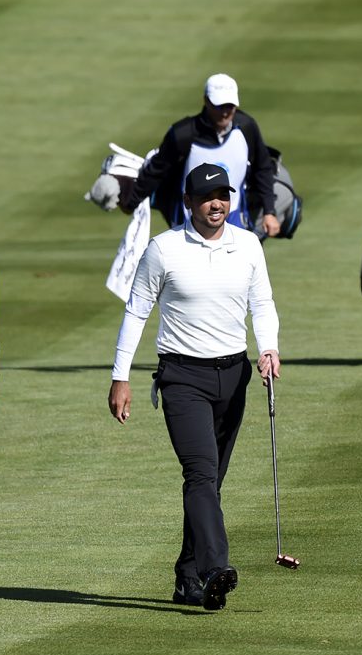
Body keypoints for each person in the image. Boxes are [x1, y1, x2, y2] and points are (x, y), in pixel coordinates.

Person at [108, 163, 281, 611]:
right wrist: (119, 377)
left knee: (210, 482)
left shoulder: (247, 245)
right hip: (182, 377)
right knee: (201, 474)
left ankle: (187, 578)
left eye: (222, 195)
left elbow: (261, 302)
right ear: (188, 203)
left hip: (234, 374)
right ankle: (214, 568)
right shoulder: (163, 250)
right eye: (206, 197)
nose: (216, 204)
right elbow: (136, 311)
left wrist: (269, 348)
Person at [118, 73, 284, 239]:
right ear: (206, 101)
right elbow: (156, 171)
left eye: (230, 106)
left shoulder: (247, 127)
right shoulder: (182, 134)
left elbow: (262, 168)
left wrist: (269, 211)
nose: (225, 113)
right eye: (219, 106)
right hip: (188, 223)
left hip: (235, 220)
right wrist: (131, 202)